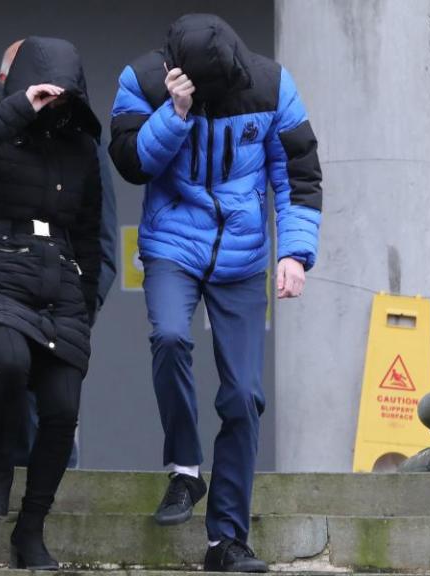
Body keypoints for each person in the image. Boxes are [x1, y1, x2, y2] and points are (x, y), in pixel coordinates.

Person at [109, 14, 323, 572]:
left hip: (244, 258)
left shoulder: (273, 85)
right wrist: (174, 114)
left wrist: (294, 253)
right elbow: (131, 163)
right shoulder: (141, 79)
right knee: (171, 337)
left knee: (245, 397)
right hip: (172, 245)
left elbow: (297, 173)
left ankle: (225, 541)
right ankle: (184, 469)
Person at [0, 36, 103, 570]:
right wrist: (19, 106)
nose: (52, 103)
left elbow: (90, 234)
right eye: (44, 91)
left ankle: (30, 532)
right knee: (8, 360)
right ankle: (0, 468)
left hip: (58, 293)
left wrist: (85, 301)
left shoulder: (80, 150)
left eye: (61, 94)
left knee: (62, 410)